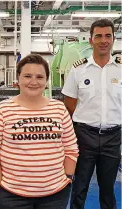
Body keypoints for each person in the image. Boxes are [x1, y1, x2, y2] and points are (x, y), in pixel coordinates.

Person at [0, 54, 79, 209]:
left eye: (40, 77)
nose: (34, 82)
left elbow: (71, 148)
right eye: (28, 76)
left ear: (46, 80)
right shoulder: (3, 110)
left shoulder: (59, 109)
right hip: (11, 196)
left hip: (55, 195)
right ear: (18, 78)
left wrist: (68, 178)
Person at [62, 19, 122, 209]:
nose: (103, 40)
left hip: (113, 137)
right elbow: (69, 104)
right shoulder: (78, 69)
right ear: (90, 40)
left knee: (108, 190)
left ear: (113, 39)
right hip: (83, 136)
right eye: (98, 36)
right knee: (79, 188)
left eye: (107, 36)